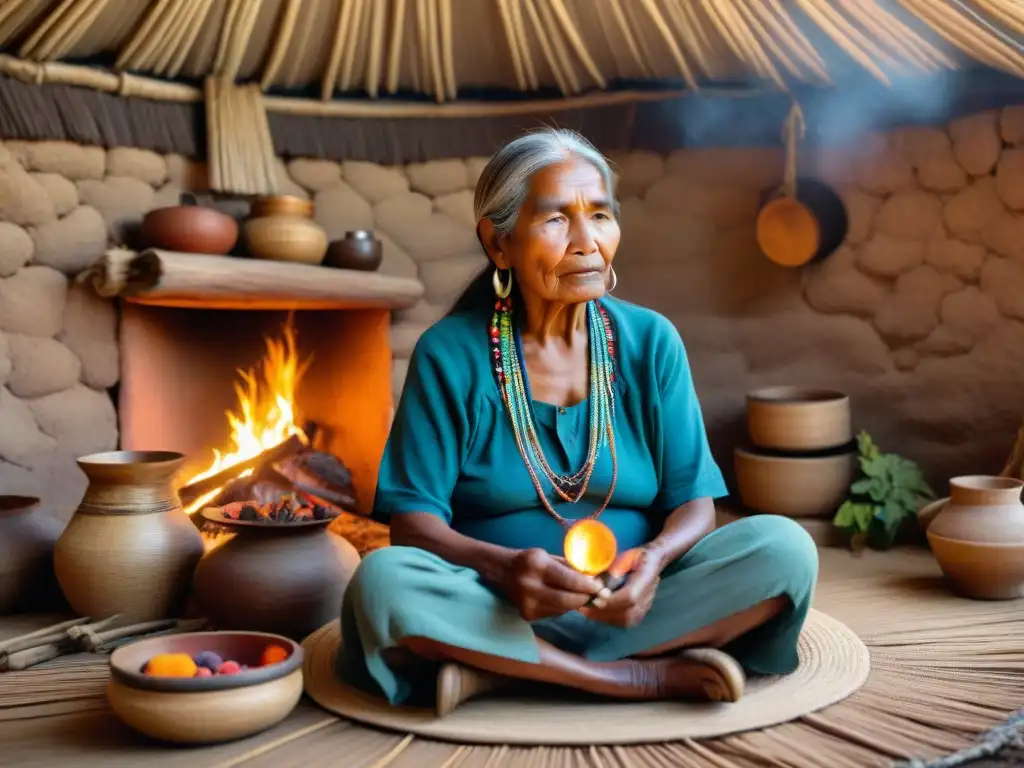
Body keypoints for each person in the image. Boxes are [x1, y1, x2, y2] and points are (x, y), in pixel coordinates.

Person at [337, 128, 819, 717]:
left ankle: (498, 671)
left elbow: (695, 504)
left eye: (600, 215)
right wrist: (506, 567)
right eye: (556, 220)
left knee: (785, 549)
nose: (587, 242)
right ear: (498, 242)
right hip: (492, 603)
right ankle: (632, 679)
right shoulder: (451, 353)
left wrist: (658, 559)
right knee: (384, 582)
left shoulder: (650, 343)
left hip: (637, 604)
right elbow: (412, 526)